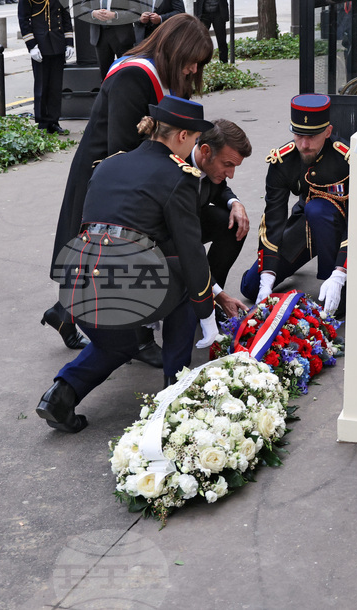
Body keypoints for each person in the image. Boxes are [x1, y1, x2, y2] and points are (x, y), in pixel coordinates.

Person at [38, 97, 221, 433]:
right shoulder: (179, 176)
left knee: (118, 345)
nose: (194, 147)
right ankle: (175, 392)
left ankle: (59, 397)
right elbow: (190, 251)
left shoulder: (110, 164)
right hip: (122, 283)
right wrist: (206, 310)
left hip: (76, 283)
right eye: (195, 139)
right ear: (182, 135)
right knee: (186, 280)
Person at [44, 13, 213, 357]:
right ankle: (137, 338)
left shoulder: (159, 71)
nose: (195, 69)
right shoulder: (133, 75)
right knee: (118, 252)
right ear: (176, 49)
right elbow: (122, 148)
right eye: (193, 61)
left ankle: (65, 314)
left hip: (133, 173)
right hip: (109, 176)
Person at [240, 94, 349, 318]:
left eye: (312, 136)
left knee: (318, 209)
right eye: (299, 135)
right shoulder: (283, 161)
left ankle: (338, 285)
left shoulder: (346, 160)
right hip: (308, 227)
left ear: (327, 132)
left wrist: (340, 271)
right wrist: (267, 277)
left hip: (341, 231)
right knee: (251, 288)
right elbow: (273, 218)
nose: (304, 145)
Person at [190, 118, 252, 291]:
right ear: (205, 151)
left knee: (234, 224)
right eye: (227, 164)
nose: (231, 174)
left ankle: (210, 296)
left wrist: (235, 204)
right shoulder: (176, 164)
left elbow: (219, 188)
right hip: (164, 237)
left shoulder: (209, 167)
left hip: (192, 221)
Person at [18, 0, 73, 135]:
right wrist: (31, 46)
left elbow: (65, 16)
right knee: (42, 85)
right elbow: (24, 19)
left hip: (57, 42)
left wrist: (69, 42)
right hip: (40, 44)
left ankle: (54, 121)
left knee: (56, 86)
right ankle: (42, 123)